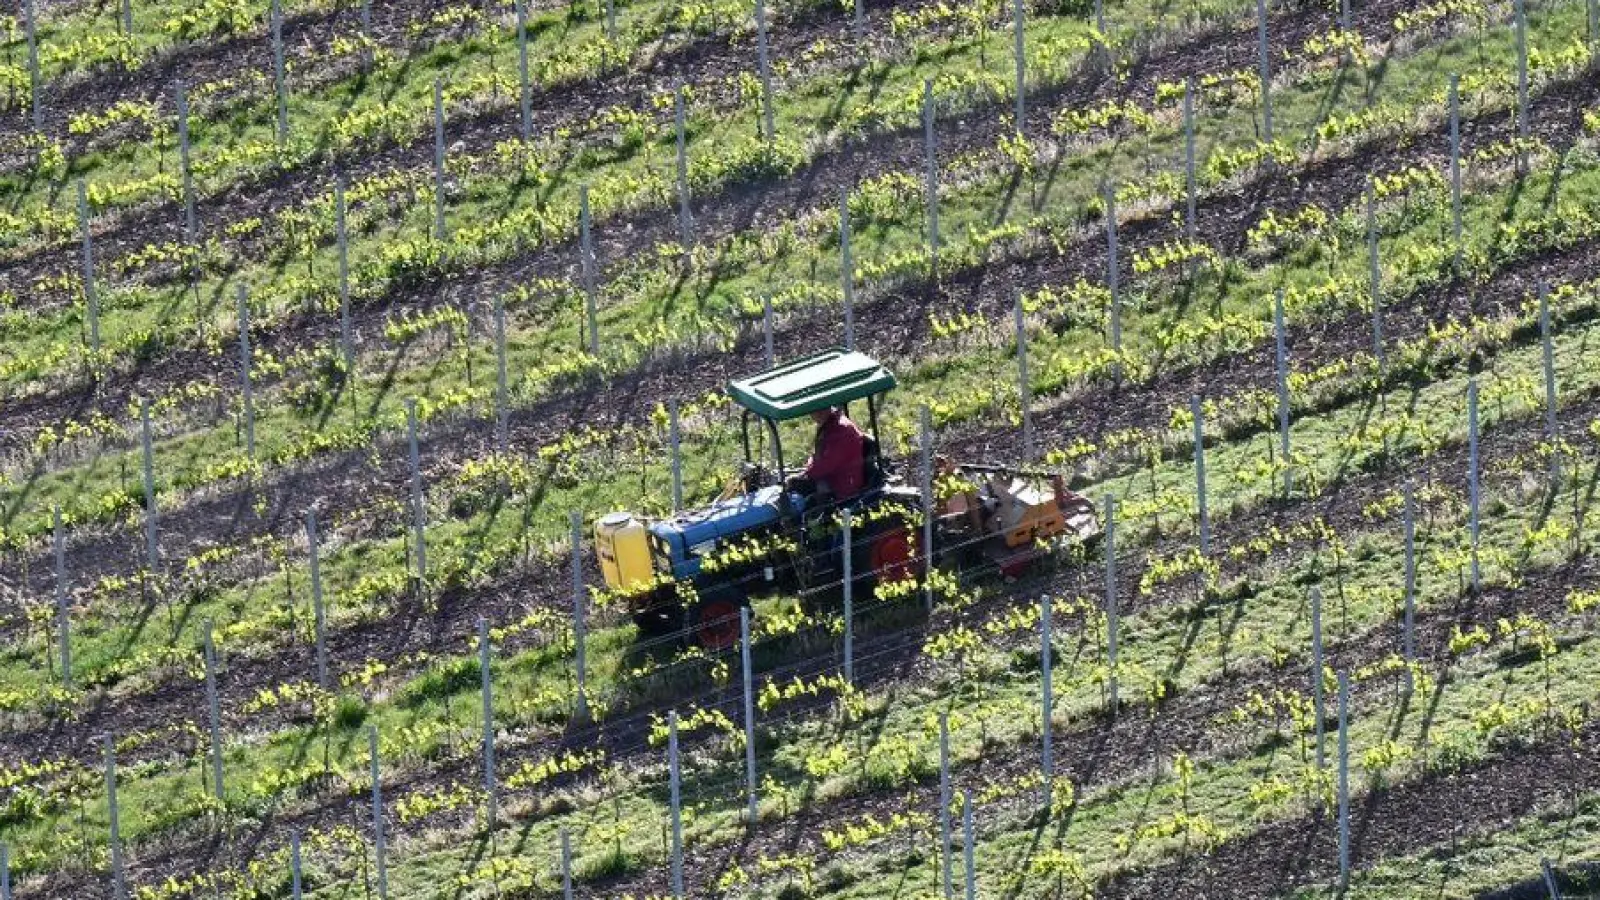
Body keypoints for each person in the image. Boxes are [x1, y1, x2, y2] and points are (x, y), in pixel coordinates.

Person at [787, 406, 866, 500]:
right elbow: (819, 456)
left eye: (817, 410)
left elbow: (827, 464)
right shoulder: (829, 424)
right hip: (832, 476)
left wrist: (805, 475)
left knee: (796, 488)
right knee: (793, 484)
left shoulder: (841, 430)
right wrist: (808, 467)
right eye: (811, 411)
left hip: (842, 484)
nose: (814, 415)